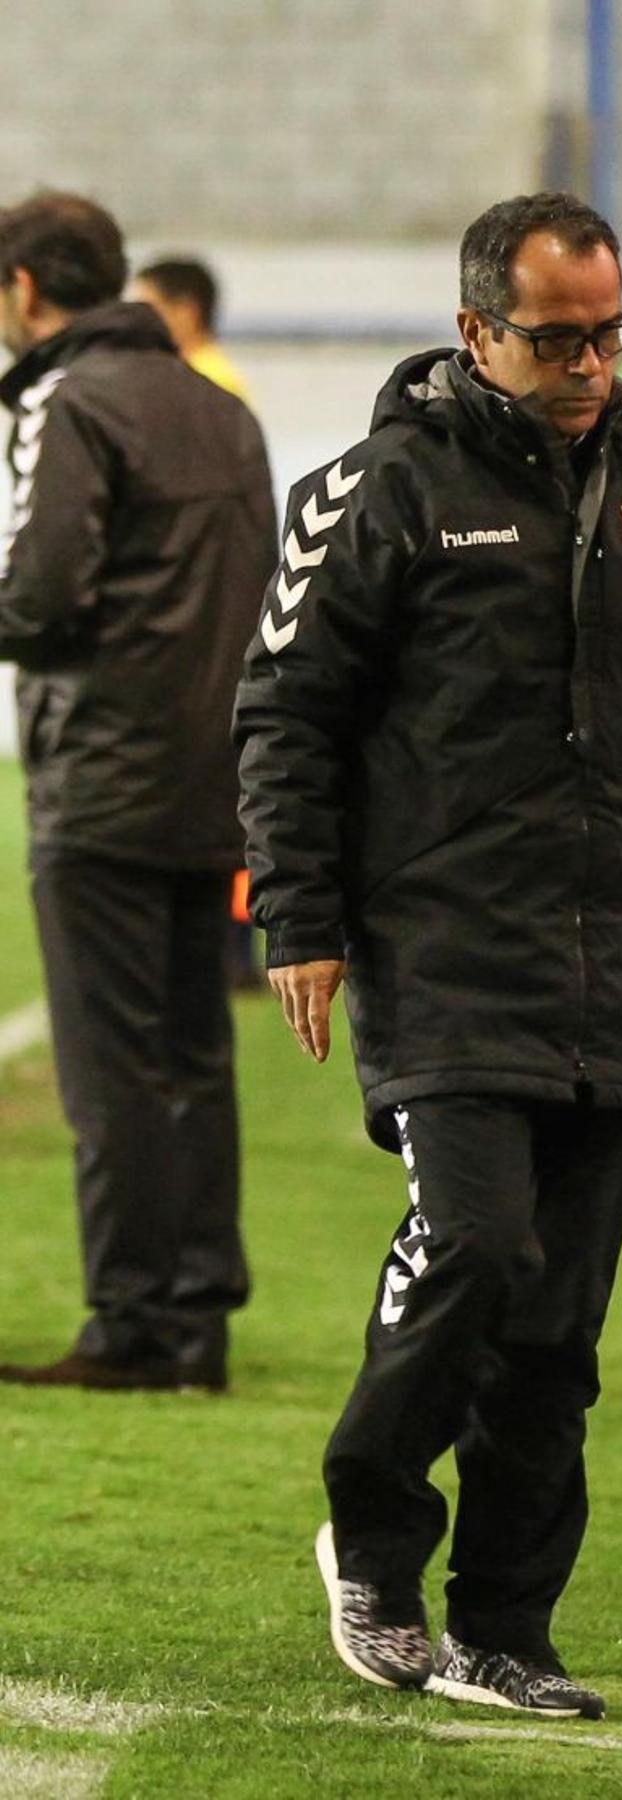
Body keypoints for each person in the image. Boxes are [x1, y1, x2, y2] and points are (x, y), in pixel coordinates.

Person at [233, 191, 622, 1718]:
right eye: (556, 338)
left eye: (609, 334)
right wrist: (300, 915)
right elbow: (285, 715)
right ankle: (369, 1526)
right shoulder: (373, 492)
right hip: (444, 954)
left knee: (554, 1336)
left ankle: (503, 1628)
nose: (590, 365)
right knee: (474, 1248)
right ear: (476, 328)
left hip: (617, 963)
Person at [0, 192, 276, 1393]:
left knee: (110, 1067)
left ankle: (129, 1326)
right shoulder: (221, 411)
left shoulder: (69, 404)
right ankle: (197, 1316)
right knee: (193, 1054)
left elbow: (43, 592)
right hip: (212, 775)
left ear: (22, 290)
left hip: (101, 780)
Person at [134, 254, 263, 989]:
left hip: (201, 634)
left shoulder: (204, 388)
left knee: (221, 799)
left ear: (184, 310)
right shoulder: (211, 384)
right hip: (213, 628)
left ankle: (233, 950)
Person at [131, 256, 252, 404]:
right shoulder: (182, 372)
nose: (138, 320)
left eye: (147, 310)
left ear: (186, 313)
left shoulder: (209, 381)